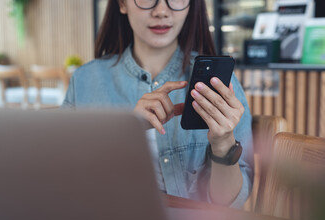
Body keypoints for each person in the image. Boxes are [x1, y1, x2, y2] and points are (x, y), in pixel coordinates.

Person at [62, 0, 254, 208]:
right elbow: (62, 180)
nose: (161, 11)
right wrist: (126, 133)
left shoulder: (222, 85)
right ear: (123, 4)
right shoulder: (84, 81)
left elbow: (232, 202)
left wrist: (224, 143)